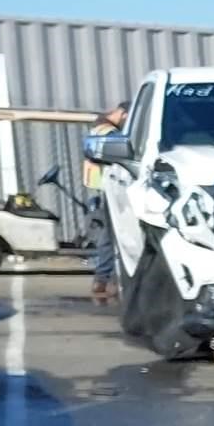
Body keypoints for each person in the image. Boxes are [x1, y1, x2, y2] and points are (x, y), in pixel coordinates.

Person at [85, 102, 126, 305]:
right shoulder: (109, 132)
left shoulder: (98, 127)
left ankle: (104, 279)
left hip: (100, 189)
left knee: (107, 236)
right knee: (111, 236)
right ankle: (103, 280)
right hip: (108, 190)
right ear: (122, 114)